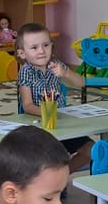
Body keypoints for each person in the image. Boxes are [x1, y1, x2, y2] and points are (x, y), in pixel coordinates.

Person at [15, 22, 92, 172]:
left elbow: (81, 83)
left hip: (60, 124)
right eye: (34, 47)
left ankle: (62, 175)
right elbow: (27, 105)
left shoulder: (55, 64)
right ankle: (53, 178)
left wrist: (66, 73)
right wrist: (48, 113)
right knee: (48, 160)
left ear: (52, 45)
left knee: (91, 149)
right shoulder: (26, 72)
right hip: (37, 128)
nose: (41, 51)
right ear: (22, 53)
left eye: (46, 45)